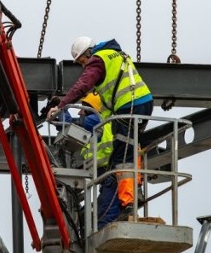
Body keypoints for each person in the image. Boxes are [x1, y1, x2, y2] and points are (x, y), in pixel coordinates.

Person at [47, 37, 153, 221]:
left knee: (123, 158)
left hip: (129, 106)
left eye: (82, 61)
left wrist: (61, 106)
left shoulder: (98, 59)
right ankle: (132, 196)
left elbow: (83, 85)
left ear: (88, 53)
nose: (83, 66)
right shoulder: (114, 55)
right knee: (126, 151)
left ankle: (128, 203)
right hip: (142, 103)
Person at [51, 92, 119, 228]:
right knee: (102, 211)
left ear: (92, 109)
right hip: (106, 174)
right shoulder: (96, 124)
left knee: (105, 216)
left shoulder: (96, 120)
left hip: (110, 173)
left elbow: (70, 123)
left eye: (83, 108)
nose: (81, 112)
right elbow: (70, 127)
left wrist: (61, 108)